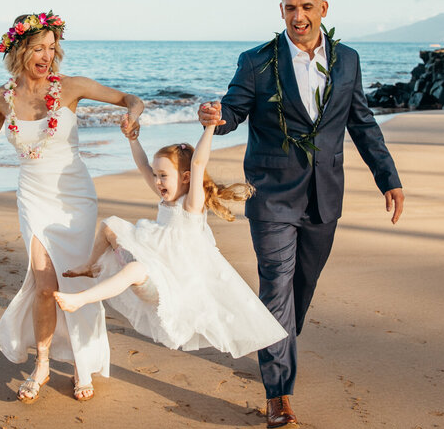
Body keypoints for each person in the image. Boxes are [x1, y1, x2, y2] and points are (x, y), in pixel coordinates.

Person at [198, 0, 405, 429]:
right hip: (271, 194)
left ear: (323, 10)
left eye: (307, 7)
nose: (299, 16)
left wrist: (387, 178)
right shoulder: (256, 61)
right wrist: (217, 117)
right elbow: (234, 108)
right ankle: (279, 394)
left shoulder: (347, 61)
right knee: (275, 286)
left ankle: (276, 343)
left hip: (324, 196)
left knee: (301, 289)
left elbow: (362, 123)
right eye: (290, 7)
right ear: (281, 11)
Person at [0, 11, 144, 403]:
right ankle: (41, 362)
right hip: (33, 197)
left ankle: (80, 363)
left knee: (76, 281)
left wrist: (132, 115)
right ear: (20, 49)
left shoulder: (71, 87)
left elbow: (130, 98)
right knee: (44, 284)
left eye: (52, 48)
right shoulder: (1, 99)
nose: (46, 55)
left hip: (75, 197)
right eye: (38, 47)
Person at [54, 123, 287, 360]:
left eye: (163, 176)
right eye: (156, 176)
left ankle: (79, 300)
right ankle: (91, 266)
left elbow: (198, 163)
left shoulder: (190, 206)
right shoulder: (166, 200)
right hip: (151, 261)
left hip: (169, 286)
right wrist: (132, 139)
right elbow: (143, 165)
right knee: (109, 224)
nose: (157, 181)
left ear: (186, 178)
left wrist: (209, 129)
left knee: (135, 269)